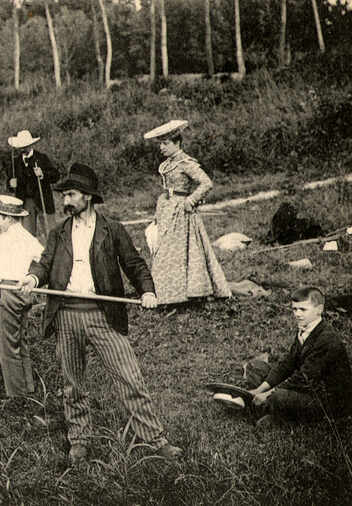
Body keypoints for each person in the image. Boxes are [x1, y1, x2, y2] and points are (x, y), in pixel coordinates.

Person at [18, 163, 182, 463]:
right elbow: (43, 264)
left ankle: (156, 440)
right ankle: (79, 440)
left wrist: (147, 291)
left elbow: (134, 265)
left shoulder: (113, 230)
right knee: (73, 383)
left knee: (129, 378)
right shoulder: (58, 233)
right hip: (66, 314)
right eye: (64, 194)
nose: (65, 201)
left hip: (103, 315)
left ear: (88, 197)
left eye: (71, 194)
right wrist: (32, 278)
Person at [143, 120, 231, 304]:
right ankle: (167, 293)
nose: (162, 147)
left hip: (182, 211)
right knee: (164, 249)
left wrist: (191, 200)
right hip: (167, 208)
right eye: (160, 144)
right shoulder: (167, 164)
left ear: (178, 143)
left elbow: (206, 183)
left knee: (182, 251)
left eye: (166, 143)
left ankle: (188, 294)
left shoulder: (186, 163)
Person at [247, 287, 352, 427]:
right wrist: (260, 389)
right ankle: (261, 402)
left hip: (326, 400)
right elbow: (288, 364)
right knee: (255, 367)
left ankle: (282, 415)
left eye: (303, 309)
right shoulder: (305, 328)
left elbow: (303, 379)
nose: (297, 314)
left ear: (319, 309)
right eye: (294, 309)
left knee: (278, 396)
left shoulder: (327, 339)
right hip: (305, 385)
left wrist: (268, 394)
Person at [0, 195, 45, 397]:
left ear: (8, 218)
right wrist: (30, 278)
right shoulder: (27, 236)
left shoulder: (7, 239)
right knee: (20, 341)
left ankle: (17, 396)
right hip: (24, 292)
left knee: (7, 347)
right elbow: (43, 257)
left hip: (9, 292)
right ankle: (28, 387)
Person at [7, 130, 59, 237]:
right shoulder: (15, 163)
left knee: (50, 232)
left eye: (25, 146)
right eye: (21, 146)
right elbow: (10, 183)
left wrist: (42, 174)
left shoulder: (41, 158)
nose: (23, 149)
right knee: (28, 235)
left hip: (43, 199)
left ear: (31, 145)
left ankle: (53, 253)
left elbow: (56, 175)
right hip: (26, 203)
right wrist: (10, 184)